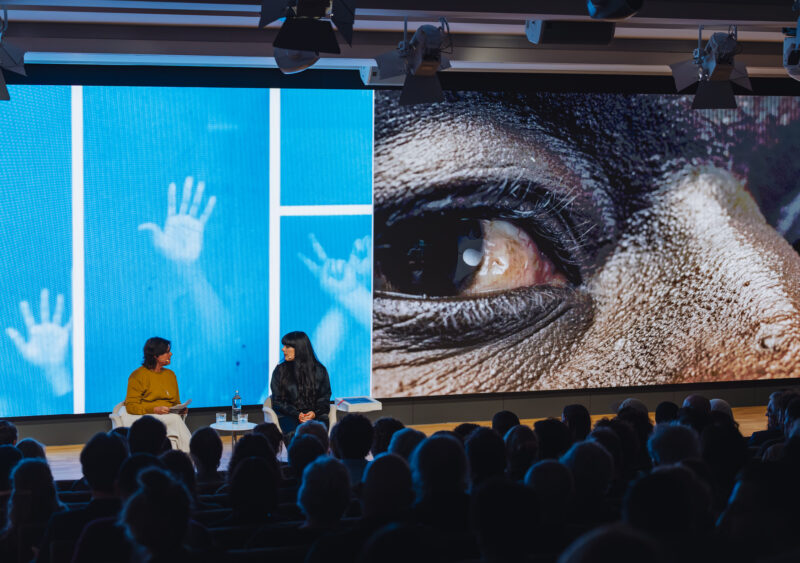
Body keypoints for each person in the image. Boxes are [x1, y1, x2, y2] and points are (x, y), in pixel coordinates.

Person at [124, 337, 191, 452]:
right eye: (166, 352)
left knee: (175, 417)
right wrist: (154, 409)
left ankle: (186, 456)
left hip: (170, 416)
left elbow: (176, 402)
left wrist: (180, 409)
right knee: (175, 420)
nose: (171, 354)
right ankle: (190, 455)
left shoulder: (170, 375)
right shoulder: (137, 375)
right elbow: (131, 406)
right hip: (149, 418)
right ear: (155, 355)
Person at [270, 331, 332, 437]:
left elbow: (324, 398)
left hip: (315, 414)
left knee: (318, 431)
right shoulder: (280, 371)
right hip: (289, 415)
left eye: (288, 346)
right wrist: (297, 414)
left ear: (299, 349)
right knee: (294, 433)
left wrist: (314, 413)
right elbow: (277, 401)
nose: (283, 349)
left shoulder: (320, 370)